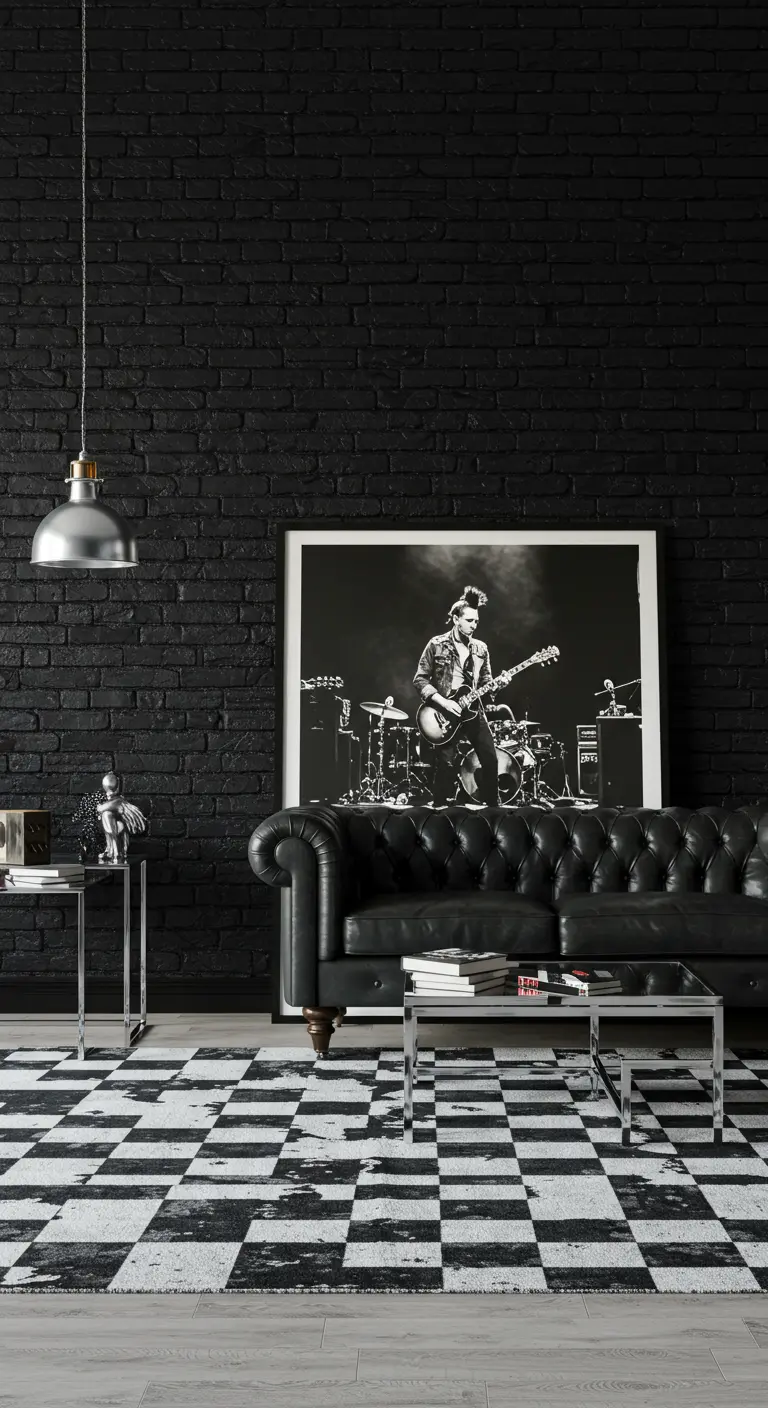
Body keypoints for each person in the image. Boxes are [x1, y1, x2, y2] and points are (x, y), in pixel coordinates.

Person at [413, 585, 500, 805]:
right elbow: (420, 679)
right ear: (455, 619)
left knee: (490, 759)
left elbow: (486, 683)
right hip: (445, 714)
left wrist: (498, 685)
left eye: (476, 621)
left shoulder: (481, 648)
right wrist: (442, 701)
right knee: (446, 766)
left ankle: (493, 811)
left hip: (472, 711)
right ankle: (438, 810)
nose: (474, 625)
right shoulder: (436, 644)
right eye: (469, 621)